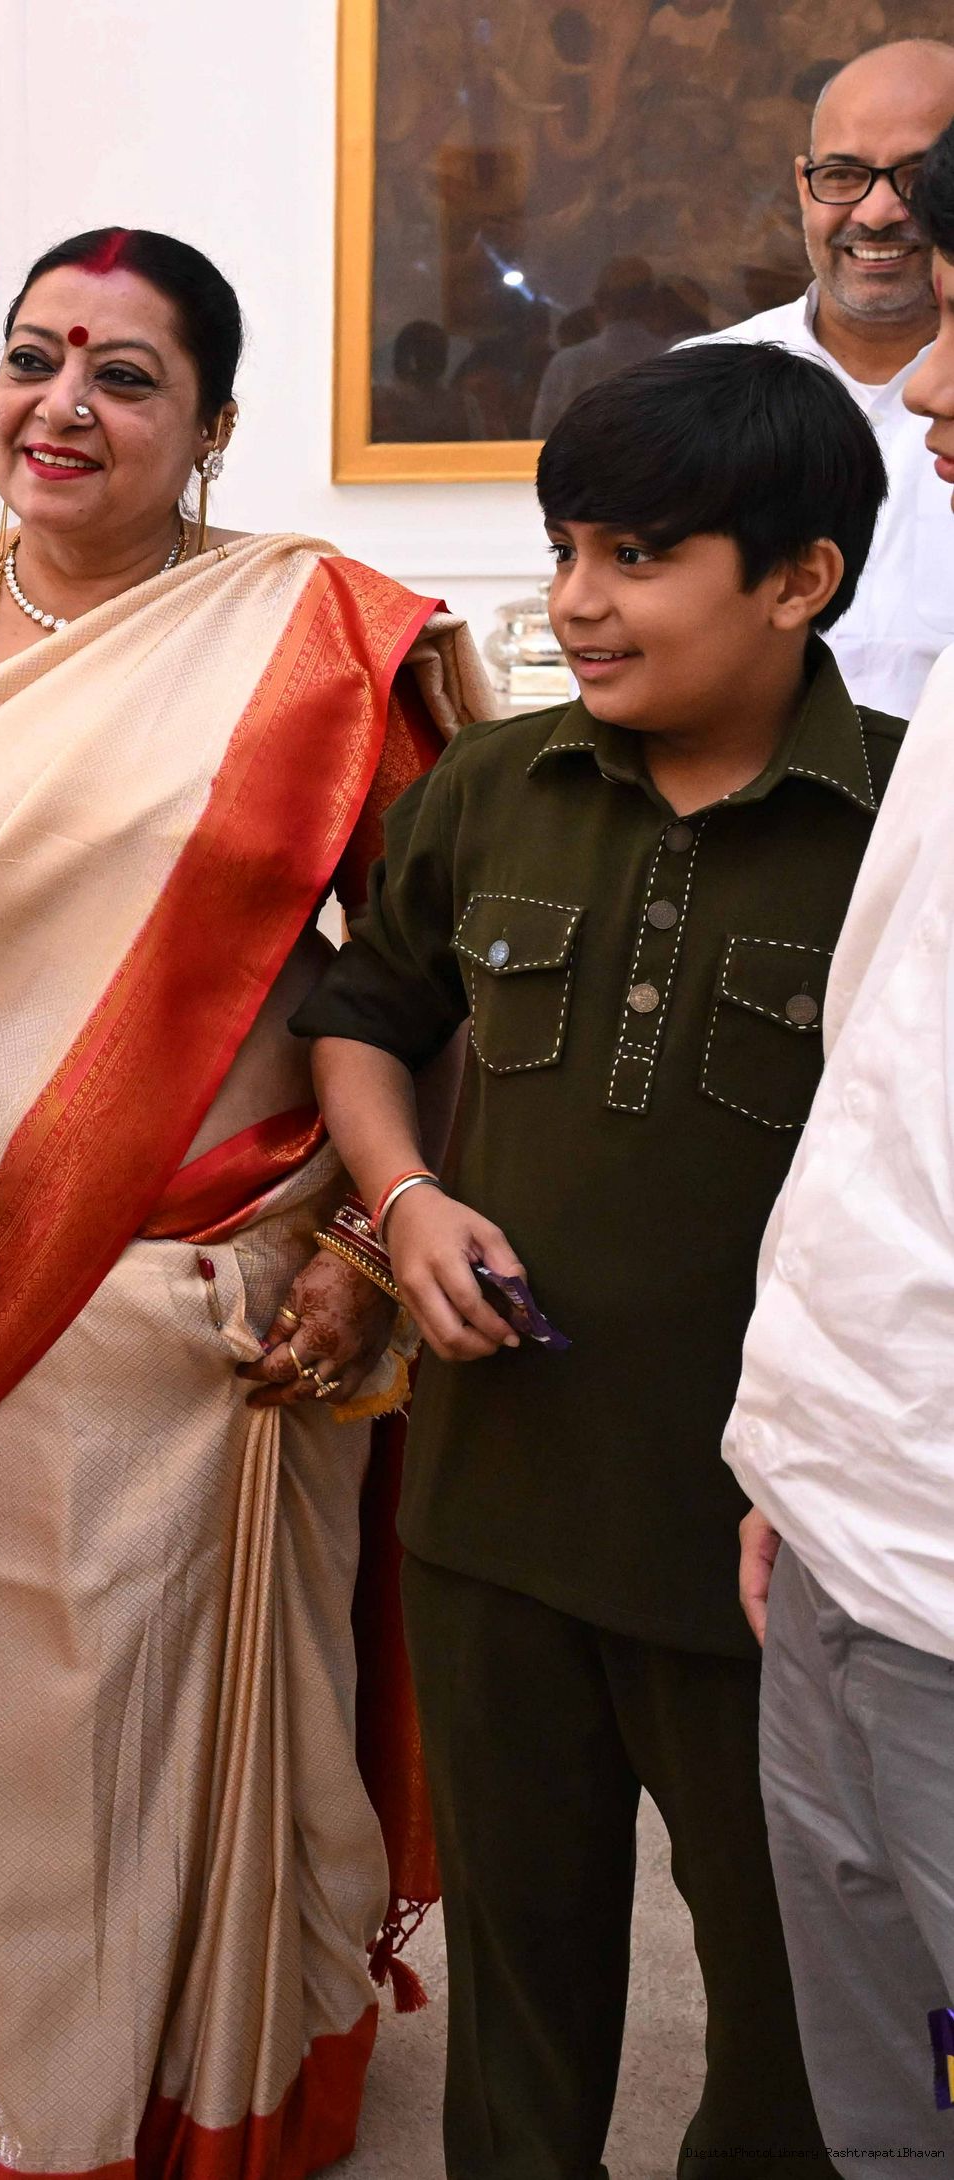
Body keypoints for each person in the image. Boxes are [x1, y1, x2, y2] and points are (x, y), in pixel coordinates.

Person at [0, 225, 480, 2177]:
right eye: (33, 358)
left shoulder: (321, 640)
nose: (63, 405)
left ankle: (225, 2098)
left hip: (239, 1302)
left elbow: (445, 979)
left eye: (125, 376)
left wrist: (372, 1244)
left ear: (213, 425)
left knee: (213, 1739)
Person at [297, 342, 877, 2178]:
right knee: (521, 1978)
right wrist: (403, 1198)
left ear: (798, 579)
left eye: (636, 555)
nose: (575, 601)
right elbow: (361, 1017)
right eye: (563, 550)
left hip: (767, 1546)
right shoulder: (490, 787)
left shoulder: (906, 833)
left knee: (790, 2007)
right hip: (493, 1515)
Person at [723, 121, 954, 2158]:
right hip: (843, 1525)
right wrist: (801, 1450)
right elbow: (887, 1088)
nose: (931, 380)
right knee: (884, 2106)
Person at [687, 38, 954, 717]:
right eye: (842, 175)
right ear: (803, 183)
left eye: (918, 176)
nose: (876, 213)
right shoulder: (695, 390)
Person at [528, 257, 675, 438]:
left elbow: (541, 434)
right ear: (652, 302)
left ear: (599, 301)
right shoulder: (678, 359)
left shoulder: (566, 364)